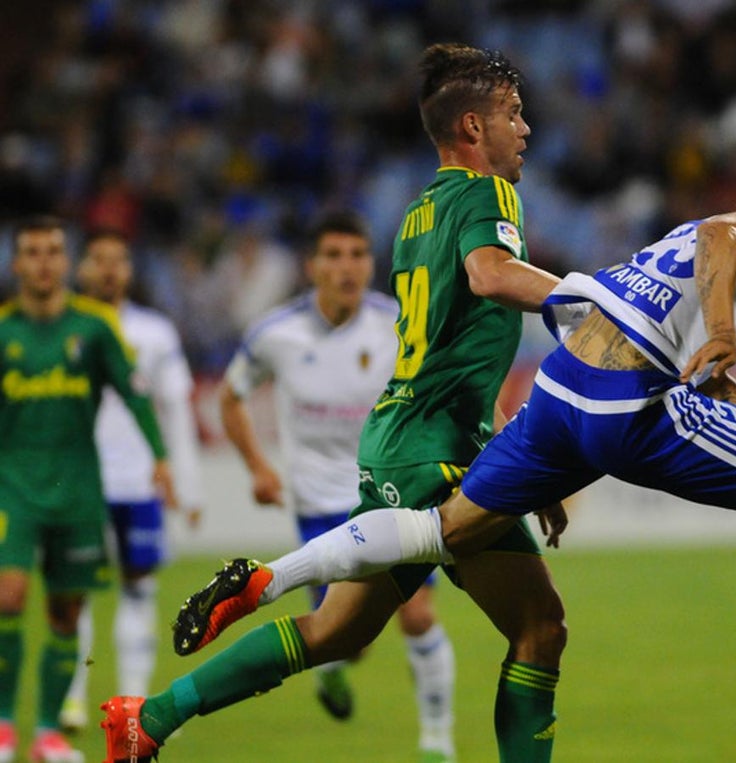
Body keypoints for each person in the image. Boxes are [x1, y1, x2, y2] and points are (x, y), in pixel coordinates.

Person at [171, 170, 736, 732]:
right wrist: (721, 328)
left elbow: (703, 353)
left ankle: (269, 577)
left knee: (444, 529)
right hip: (630, 402)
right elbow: (724, 235)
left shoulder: (726, 281)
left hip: (559, 391)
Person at [101, 43, 568, 763]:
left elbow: (452, 357)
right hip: (439, 455)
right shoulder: (489, 195)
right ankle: (272, 580)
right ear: (472, 128)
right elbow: (490, 274)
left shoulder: (418, 215)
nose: (526, 129)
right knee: (540, 626)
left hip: (407, 440)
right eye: (513, 113)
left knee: (337, 634)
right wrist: (594, 301)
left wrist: (514, 452)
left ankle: (151, 716)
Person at [217, 210, 457, 758]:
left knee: (418, 614)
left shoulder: (399, 324)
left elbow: (438, 394)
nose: (346, 267)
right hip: (319, 506)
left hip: (391, 493)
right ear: (312, 266)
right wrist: (257, 465)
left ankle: (437, 742)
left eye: (356, 255)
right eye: (333, 255)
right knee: (343, 637)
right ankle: (330, 673)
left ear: (370, 265)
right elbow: (229, 398)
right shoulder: (276, 335)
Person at [0, 216, 173, 763]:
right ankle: (4, 727)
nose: (44, 261)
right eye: (33, 251)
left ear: (65, 262)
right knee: (9, 596)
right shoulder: (3, 333)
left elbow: (136, 393)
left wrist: (161, 457)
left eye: (53, 251)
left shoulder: (95, 329)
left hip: (78, 486)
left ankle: (48, 732)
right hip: (13, 487)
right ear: (17, 263)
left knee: (65, 612)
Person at [57, 230, 204, 734]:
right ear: (81, 269)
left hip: (140, 481)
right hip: (81, 480)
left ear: (130, 270)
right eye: (98, 260)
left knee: (138, 589)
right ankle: (72, 698)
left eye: (119, 260)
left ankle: (135, 702)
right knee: (76, 590)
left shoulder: (155, 333)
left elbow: (177, 408)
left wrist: (187, 480)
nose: (109, 270)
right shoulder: (63, 328)